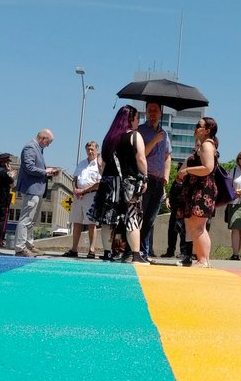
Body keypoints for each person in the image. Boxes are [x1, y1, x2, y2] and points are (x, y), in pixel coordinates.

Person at [91, 106, 148, 263]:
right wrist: (145, 178)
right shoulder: (135, 136)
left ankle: (107, 253)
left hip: (109, 182)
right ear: (131, 119)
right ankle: (136, 254)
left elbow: (102, 163)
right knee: (132, 216)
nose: (138, 121)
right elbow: (141, 159)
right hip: (129, 183)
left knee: (108, 219)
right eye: (137, 118)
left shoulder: (108, 138)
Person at [176, 116, 219, 268]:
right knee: (197, 225)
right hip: (199, 189)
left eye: (198, 125)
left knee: (198, 226)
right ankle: (204, 259)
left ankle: (203, 260)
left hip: (203, 189)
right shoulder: (205, 145)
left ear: (207, 130)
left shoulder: (207, 145)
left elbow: (208, 167)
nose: (195, 128)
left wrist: (187, 170)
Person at [15, 129, 60, 257]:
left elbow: (35, 168)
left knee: (31, 220)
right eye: (48, 142)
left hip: (37, 189)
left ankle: (29, 244)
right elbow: (29, 167)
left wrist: (48, 172)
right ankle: (20, 248)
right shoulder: (30, 148)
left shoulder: (38, 149)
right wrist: (46, 171)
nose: (48, 145)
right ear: (43, 138)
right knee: (26, 219)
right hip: (31, 189)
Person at [137, 102, 172, 260]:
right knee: (141, 216)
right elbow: (141, 153)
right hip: (145, 179)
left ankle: (145, 250)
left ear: (161, 112)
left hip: (159, 181)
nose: (152, 113)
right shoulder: (140, 131)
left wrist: (166, 176)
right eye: (149, 110)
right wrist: (154, 141)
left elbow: (167, 156)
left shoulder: (164, 134)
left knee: (151, 219)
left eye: (155, 110)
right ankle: (138, 250)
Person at [65, 140, 103, 258]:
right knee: (77, 223)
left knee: (91, 224)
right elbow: (75, 178)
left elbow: (99, 182)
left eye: (92, 149)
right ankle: (74, 249)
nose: (90, 151)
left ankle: (91, 250)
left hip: (91, 196)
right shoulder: (81, 163)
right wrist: (76, 189)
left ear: (97, 149)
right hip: (78, 196)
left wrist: (83, 191)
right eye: (88, 149)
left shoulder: (99, 164)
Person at [162, 160, 187, 259]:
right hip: (174, 209)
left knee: (182, 231)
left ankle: (183, 251)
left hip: (183, 209)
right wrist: (168, 199)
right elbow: (171, 192)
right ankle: (170, 251)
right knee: (172, 231)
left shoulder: (187, 181)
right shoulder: (176, 181)